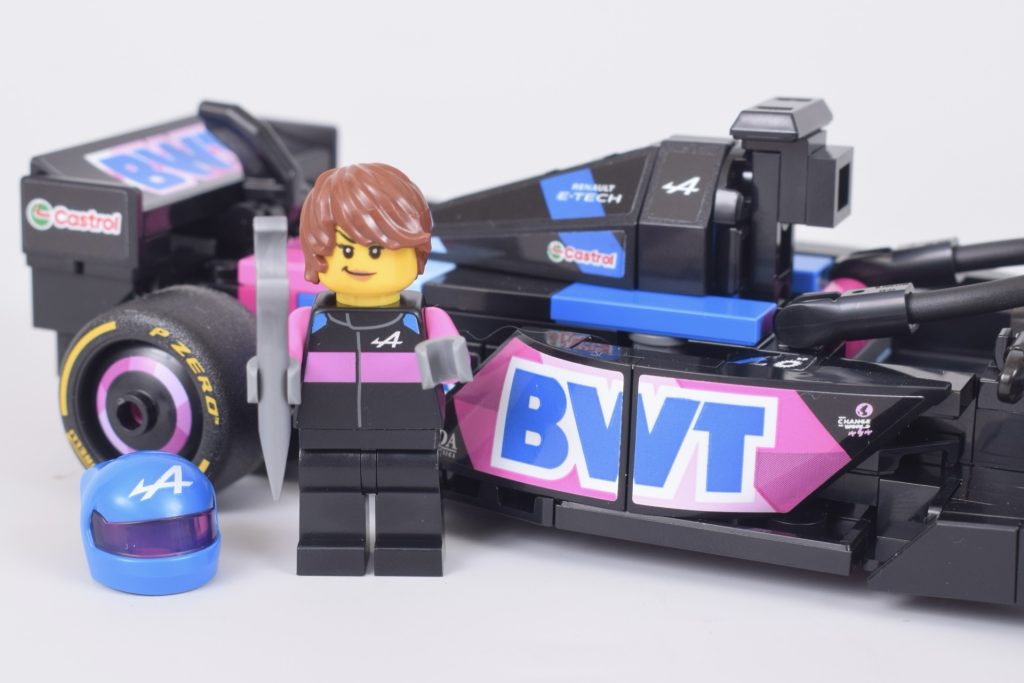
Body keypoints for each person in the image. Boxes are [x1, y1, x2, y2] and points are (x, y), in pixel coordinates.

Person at [288, 163, 471, 576]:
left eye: (376, 250)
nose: (359, 261)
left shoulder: (428, 320)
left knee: (409, 493)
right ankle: (330, 546)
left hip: (409, 433)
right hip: (326, 433)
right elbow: (282, 366)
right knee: (327, 495)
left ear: (415, 250)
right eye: (344, 249)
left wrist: (446, 364)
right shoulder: (305, 322)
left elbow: (454, 369)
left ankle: (412, 547)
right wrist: (274, 376)